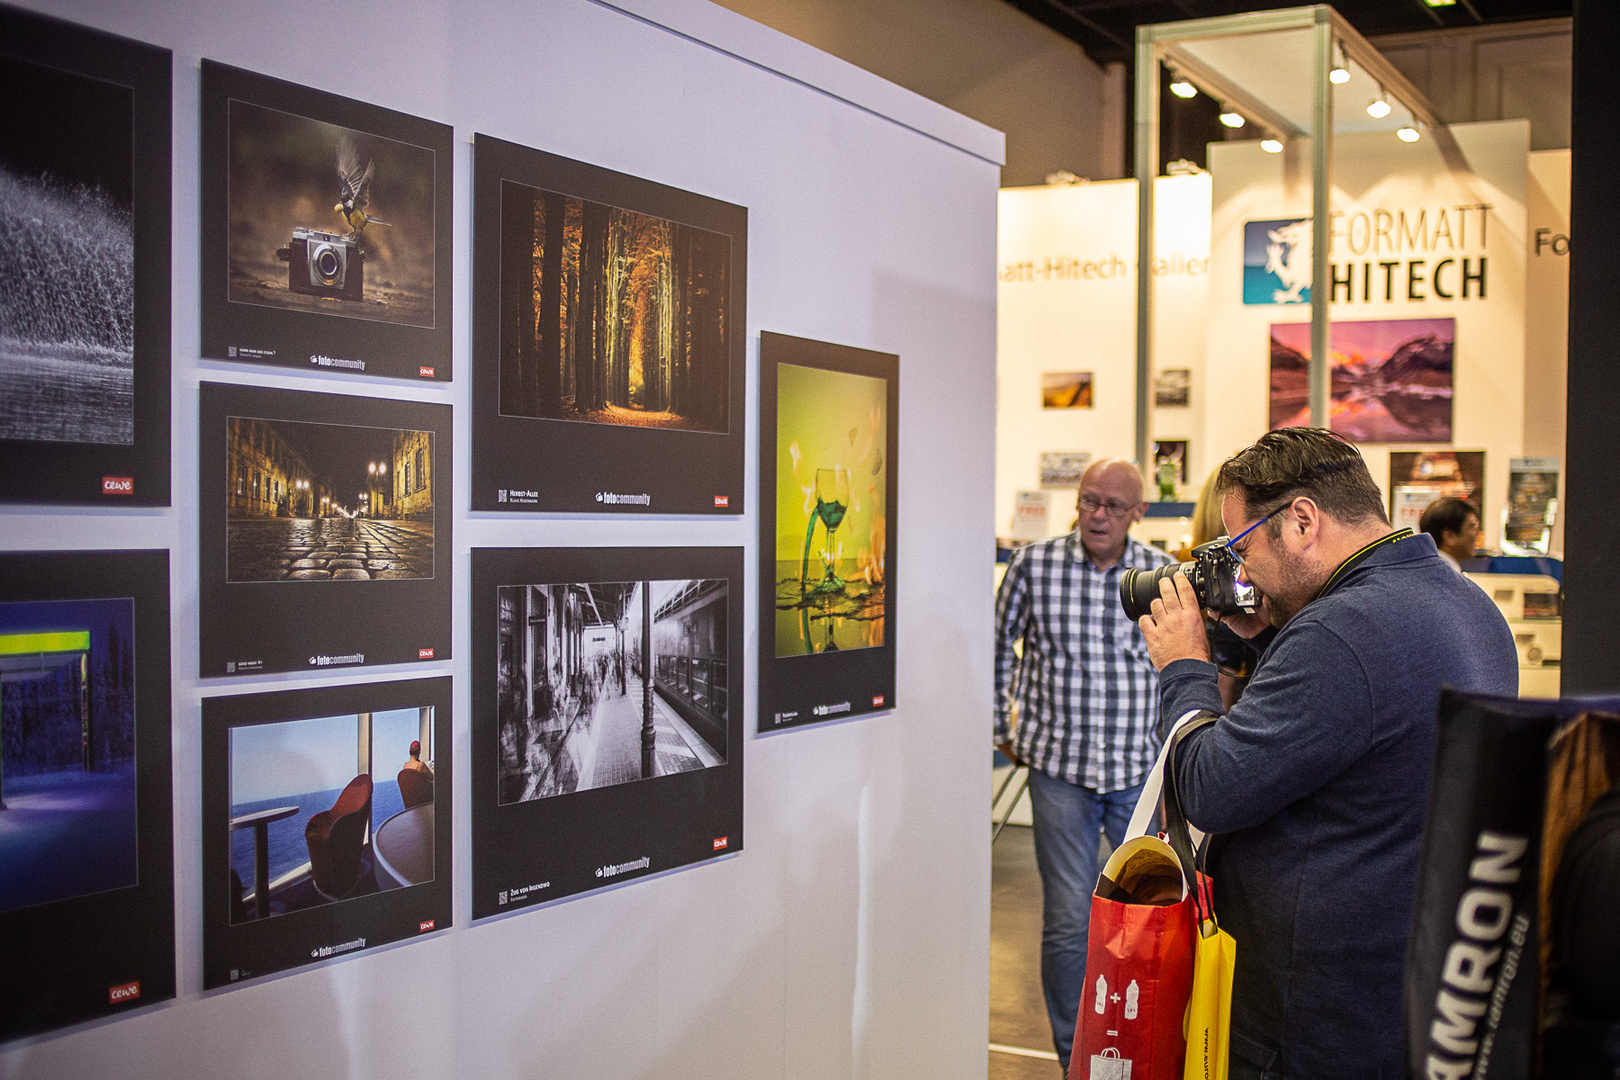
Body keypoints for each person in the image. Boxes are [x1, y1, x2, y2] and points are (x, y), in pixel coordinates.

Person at [1136, 428, 1517, 1079]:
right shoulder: (1465, 604)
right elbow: (1347, 731)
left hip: (1310, 1019)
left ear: (1302, 520)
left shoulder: (1340, 632)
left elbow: (1207, 790)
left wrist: (1185, 667)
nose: (1237, 571)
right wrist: (1270, 639)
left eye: (1239, 546)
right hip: (1404, 989)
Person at [993, 458, 1174, 1071]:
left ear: (1138, 513)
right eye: (1089, 500)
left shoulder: (1161, 575)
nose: (1098, 515)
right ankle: (1077, 1057)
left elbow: (1182, 662)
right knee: (1069, 922)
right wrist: (1001, 724)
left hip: (1136, 773)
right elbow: (998, 644)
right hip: (1060, 772)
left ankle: (1138, 1051)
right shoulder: (1033, 566)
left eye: (1113, 506)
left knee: (1145, 921)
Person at [1418, 496, 1482, 570]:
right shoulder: (1444, 575)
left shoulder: (1426, 568)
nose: (1477, 533)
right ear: (1449, 536)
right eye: (1472, 526)